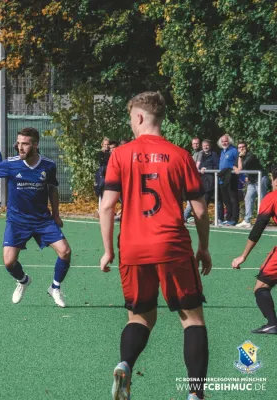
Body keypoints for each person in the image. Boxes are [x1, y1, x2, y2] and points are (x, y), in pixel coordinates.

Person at [99, 92, 212, 400]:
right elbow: (200, 210)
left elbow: (107, 206)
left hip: (133, 249)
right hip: (172, 247)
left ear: (138, 117)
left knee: (140, 317)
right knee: (192, 318)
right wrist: (203, 246)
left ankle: (125, 364)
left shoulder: (119, 155)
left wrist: (108, 249)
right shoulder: (180, 155)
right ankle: (195, 394)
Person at [0, 127, 72, 308]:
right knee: (9, 262)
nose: (20, 147)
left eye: (25, 144)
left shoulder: (48, 165)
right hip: (17, 221)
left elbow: (52, 190)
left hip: (42, 220)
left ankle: (55, 287)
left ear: (36, 145)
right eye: (19, 143)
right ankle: (23, 280)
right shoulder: (10, 164)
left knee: (65, 252)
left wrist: (55, 214)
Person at [232, 167, 277, 334]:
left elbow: (258, 228)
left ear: (274, 180)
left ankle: (272, 323)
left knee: (261, 287)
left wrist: (243, 256)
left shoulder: (272, 197)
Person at [233, 142, 269, 228]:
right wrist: (235, 168)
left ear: (246, 147)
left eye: (243, 147)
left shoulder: (250, 156)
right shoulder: (239, 156)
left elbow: (241, 168)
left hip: (261, 178)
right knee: (248, 198)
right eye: (239, 147)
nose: (241, 149)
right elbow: (235, 166)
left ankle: (263, 220)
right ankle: (247, 220)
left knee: (262, 199)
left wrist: (240, 158)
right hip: (252, 180)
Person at [217, 134, 239, 225]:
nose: (224, 143)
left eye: (226, 141)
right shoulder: (222, 151)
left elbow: (238, 163)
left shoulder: (234, 150)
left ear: (229, 141)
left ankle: (234, 219)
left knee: (233, 199)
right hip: (222, 179)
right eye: (222, 141)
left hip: (231, 178)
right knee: (226, 200)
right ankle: (228, 218)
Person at [183, 138, 204, 222]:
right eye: (194, 143)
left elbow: (196, 166)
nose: (196, 145)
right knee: (190, 201)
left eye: (197, 143)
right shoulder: (193, 153)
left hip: (199, 179)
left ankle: (184, 217)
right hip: (192, 178)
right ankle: (187, 216)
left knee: (193, 201)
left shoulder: (201, 153)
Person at [197, 139, 220, 209]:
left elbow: (217, 166)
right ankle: (203, 217)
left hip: (212, 180)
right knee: (204, 199)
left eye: (207, 145)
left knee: (217, 200)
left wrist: (207, 169)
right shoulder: (201, 155)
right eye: (204, 146)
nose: (205, 147)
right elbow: (199, 166)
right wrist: (201, 169)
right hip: (204, 180)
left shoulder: (214, 155)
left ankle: (219, 218)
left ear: (210, 146)